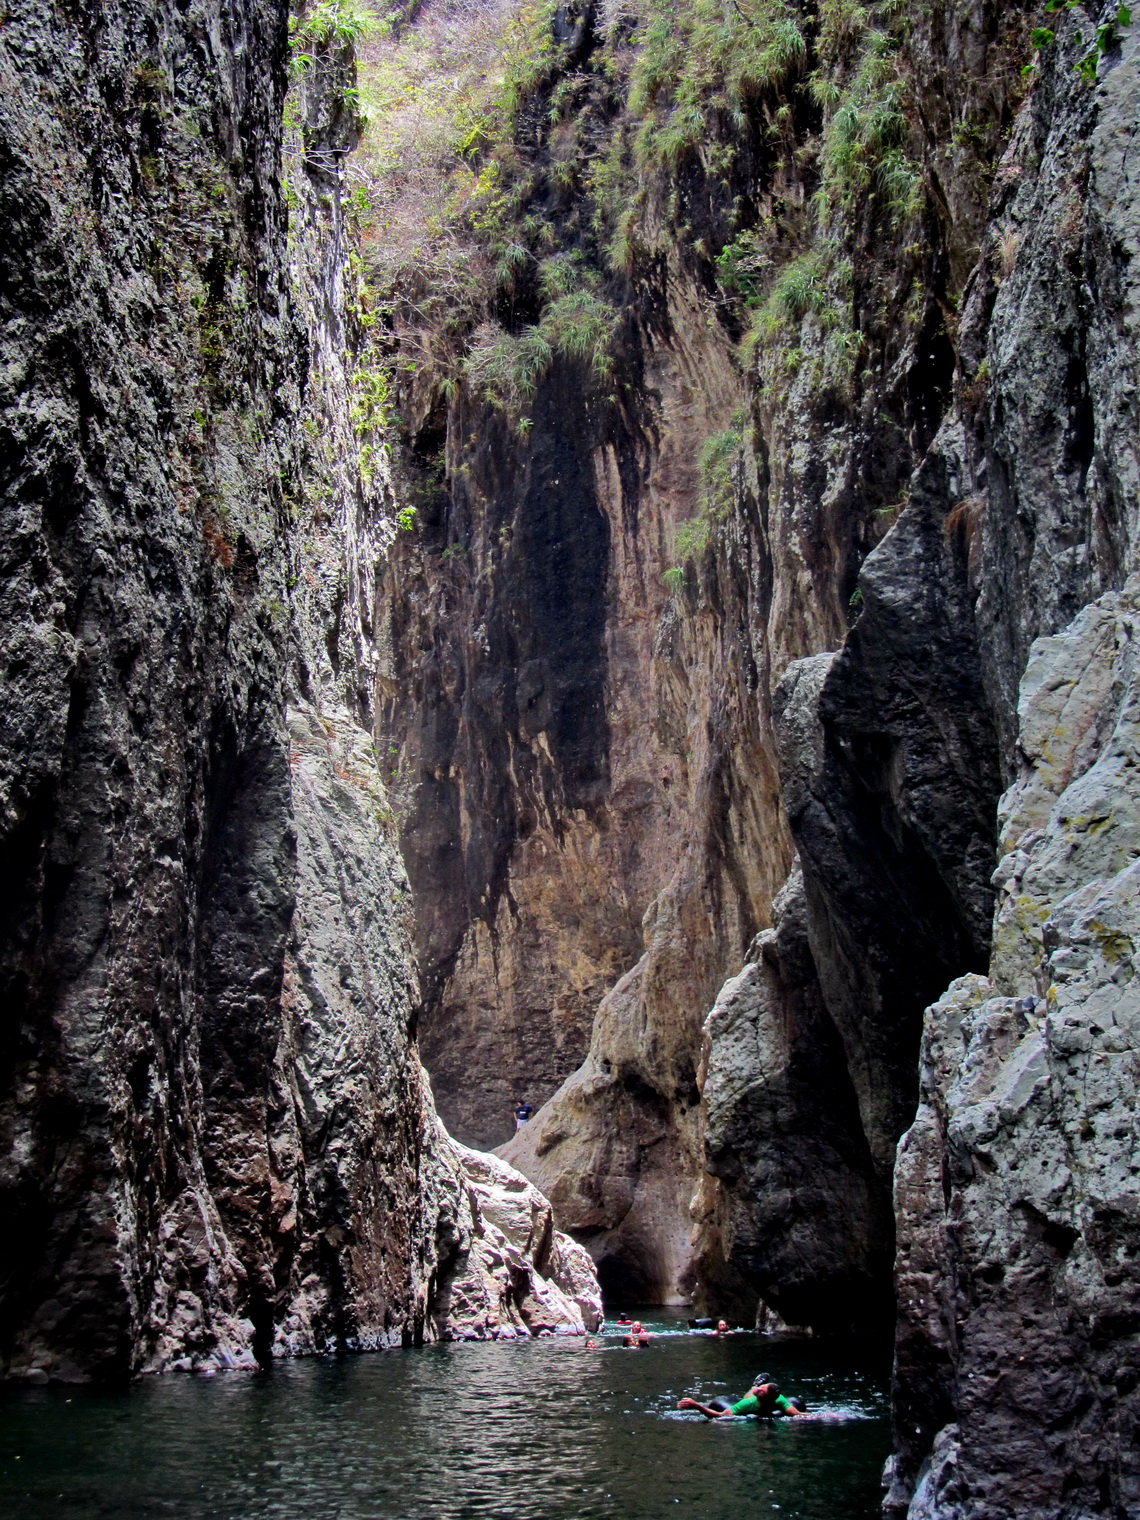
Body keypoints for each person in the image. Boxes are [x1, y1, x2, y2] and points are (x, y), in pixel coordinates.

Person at [678, 1376, 806, 1418]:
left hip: (764, 1406)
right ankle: (756, 1383)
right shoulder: (748, 1404)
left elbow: (798, 1414)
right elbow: (721, 1416)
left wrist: (825, 1416)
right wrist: (697, 1405)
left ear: (768, 1398)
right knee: (751, 1394)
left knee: (753, 1393)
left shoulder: (779, 1400)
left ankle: (757, 1384)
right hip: (750, 1403)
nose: (759, 1390)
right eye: (761, 1387)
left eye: (761, 1390)